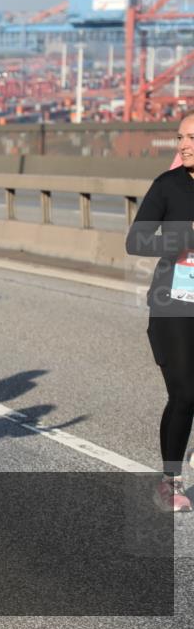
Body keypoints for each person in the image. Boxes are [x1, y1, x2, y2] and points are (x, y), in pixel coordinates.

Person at [125, 112, 194, 513]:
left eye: (191, 137)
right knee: (186, 392)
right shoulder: (168, 186)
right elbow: (136, 241)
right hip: (174, 303)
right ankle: (169, 482)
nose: (183, 145)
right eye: (181, 137)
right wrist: (183, 238)